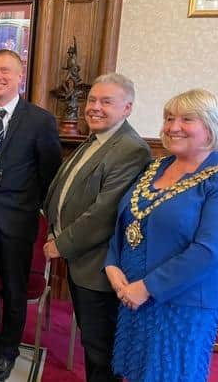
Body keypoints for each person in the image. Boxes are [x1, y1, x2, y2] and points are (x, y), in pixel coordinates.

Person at [105, 89, 218, 382]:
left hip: (182, 302)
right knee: (136, 372)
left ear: (210, 126)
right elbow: (128, 220)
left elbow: (208, 251)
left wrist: (147, 287)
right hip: (133, 295)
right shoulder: (156, 166)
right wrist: (112, 264)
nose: (173, 127)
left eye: (187, 119)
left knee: (170, 374)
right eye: (168, 118)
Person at [43, 73, 151, 382]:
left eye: (107, 102)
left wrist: (60, 244)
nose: (95, 108)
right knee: (92, 344)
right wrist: (54, 227)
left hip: (100, 265)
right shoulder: (96, 138)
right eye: (92, 100)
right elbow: (64, 190)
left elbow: (103, 214)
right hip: (81, 261)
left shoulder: (131, 149)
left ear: (127, 108)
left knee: (100, 348)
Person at [0, 49, 62, 381]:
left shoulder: (40, 120)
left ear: (20, 76)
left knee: (14, 288)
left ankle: (8, 351)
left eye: (5, 71)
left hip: (19, 223)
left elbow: (49, 175)